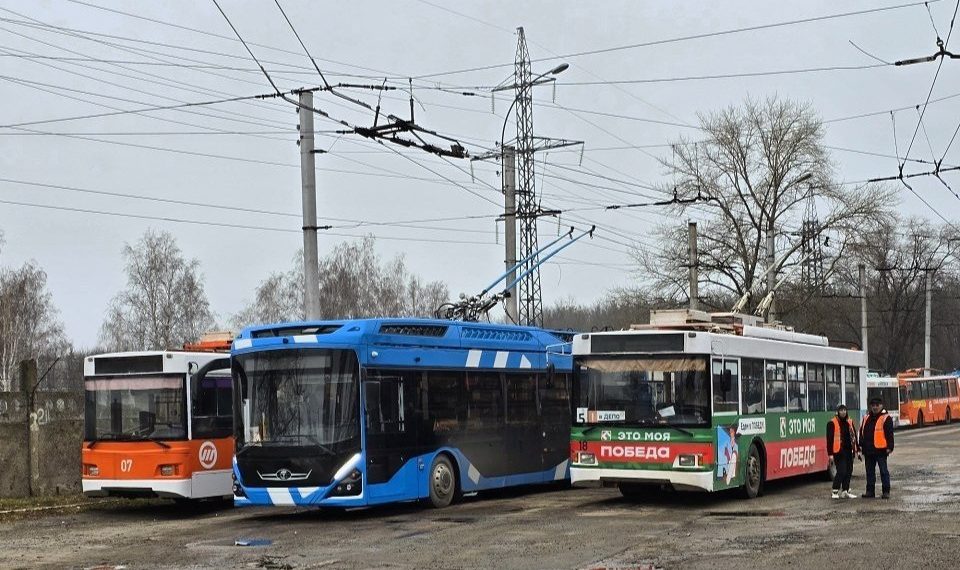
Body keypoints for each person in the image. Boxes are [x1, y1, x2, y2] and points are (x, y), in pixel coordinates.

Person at [859, 397, 895, 499]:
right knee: (869, 472)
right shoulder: (866, 418)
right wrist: (861, 444)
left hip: (881, 450)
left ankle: (886, 491)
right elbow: (861, 432)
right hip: (868, 450)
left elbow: (889, 434)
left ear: (881, 405)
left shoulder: (886, 418)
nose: (875, 407)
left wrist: (890, 447)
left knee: (883, 471)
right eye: (873, 405)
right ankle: (870, 491)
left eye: (877, 405)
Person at [826, 404, 858, 499]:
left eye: (844, 410)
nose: (843, 412)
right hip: (838, 451)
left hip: (849, 451)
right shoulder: (832, 423)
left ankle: (845, 491)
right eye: (841, 410)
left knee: (849, 471)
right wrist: (830, 454)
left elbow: (854, 436)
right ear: (838, 412)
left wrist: (857, 449)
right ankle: (835, 491)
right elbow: (829, 440)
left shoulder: (849, 422)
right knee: (842, 471)